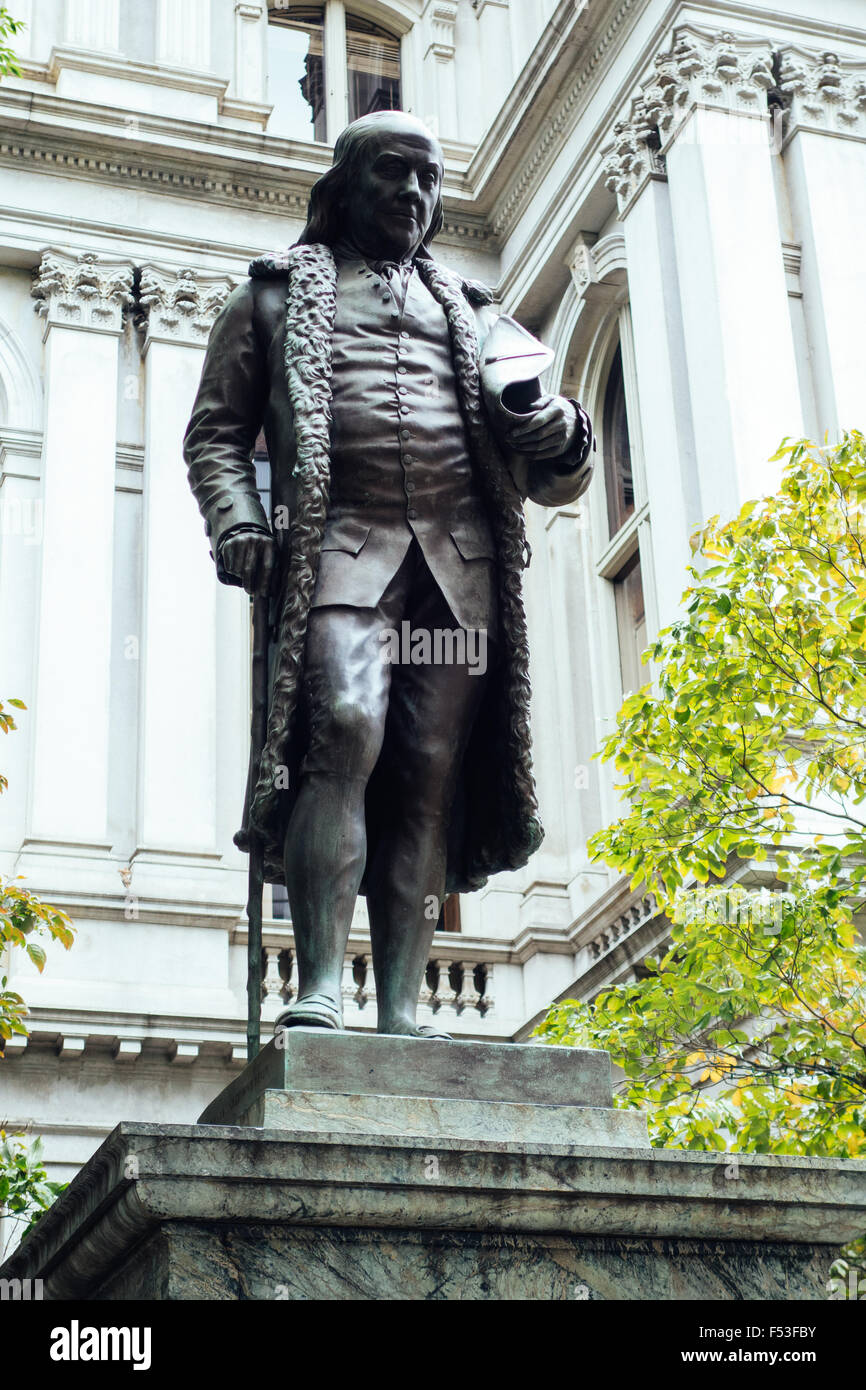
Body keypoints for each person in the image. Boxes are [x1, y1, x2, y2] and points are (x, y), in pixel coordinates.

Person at [184, 112, 593, 1038]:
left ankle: (404, 1012)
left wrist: (565, 431)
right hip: (337, 551)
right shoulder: (272, 299)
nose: (413, 193)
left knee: (424, 774)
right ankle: (322, 984)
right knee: (343, 729)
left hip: (456, 565)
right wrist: (241, 521)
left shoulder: (480, 316)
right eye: (393, 173)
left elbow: (553, 462)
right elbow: (214, 434)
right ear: (346, 186)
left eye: (427, 179)